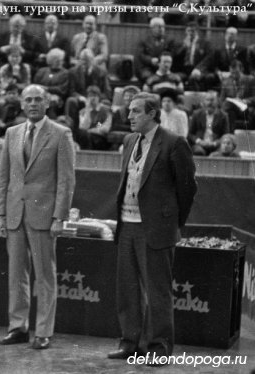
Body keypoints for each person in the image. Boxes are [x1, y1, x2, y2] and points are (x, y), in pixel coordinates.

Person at [108, 92, 196, 366]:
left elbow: (187, 189)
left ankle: (159, 348)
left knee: (157, 292)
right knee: (128, 289)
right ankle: (130, 343)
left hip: (155, 230)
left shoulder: (174, 143)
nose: (129, 116)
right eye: (129, 111)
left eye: (135, 111)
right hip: (127, 226)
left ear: (152, 114)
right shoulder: (129, 140)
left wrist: (170, 223)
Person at [0, 84, 75, 350]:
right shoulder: (12, 133)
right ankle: (18, 327)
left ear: (48, 103)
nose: (33, 103)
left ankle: (43, 331)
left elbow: (66, 180)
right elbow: (3, 177)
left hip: (43, 215)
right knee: (16, 274)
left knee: (44, 275)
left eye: (38, 99)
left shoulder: (61, 134)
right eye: (28, 99)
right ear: (21, 103)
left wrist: (59, 216)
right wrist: (0, 214)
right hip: (15, 214)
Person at [0, 14, 40, 78]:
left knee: (31, 69)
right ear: (9, 25)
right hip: (5, 62)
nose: (15, 28)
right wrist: (2, 49)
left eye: (18, 26)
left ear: (23, 27)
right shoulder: (4, 36)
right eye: (13, 26)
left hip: (23, 62)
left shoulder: (30, 38)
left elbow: (35, 55)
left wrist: (24, 52)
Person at [188, 91, 230, 156]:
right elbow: (190, 133)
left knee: (218, 154)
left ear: (217, 101)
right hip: (200, 144)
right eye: (208, 100)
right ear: (204, 101)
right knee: (198, 151)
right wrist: (199, 141)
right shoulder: (196, 114)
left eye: (212, 100)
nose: (210, 103)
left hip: (216, 145)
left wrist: (215, 143)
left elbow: (226, 135)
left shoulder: (223, 116)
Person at [136, 17, 177, 82]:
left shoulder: (170, 40)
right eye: (159, 27)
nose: (161, 29)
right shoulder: (144, 40)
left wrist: (161, 61)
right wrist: (151, 60)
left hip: (165, 67)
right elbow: (141, 55)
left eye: (163, 27)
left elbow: (172, 53)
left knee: (170, 78)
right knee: (147, 77)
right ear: (152, 28)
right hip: (148, 67)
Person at [33, 48, 69, 119]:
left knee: (49, 102)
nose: (59, 62)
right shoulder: (42, 71)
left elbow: (62, 89)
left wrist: (47, 89)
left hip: (56, 98)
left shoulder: (65, 73)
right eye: (56, 59)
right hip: (40, 95)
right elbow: (35, 85)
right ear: (50, 60)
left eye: (61, 60)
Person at [76, 85, 112, 150]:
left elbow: (106, 128)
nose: (93, 98)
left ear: (99, 97)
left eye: (95, 96)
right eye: (90, 96)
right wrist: (87, 109)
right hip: (87, 137)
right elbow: (84, 127)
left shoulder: (105, 110)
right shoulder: (83, 111)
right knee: (82, 135)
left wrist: (92, 130)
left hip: (100, 138)